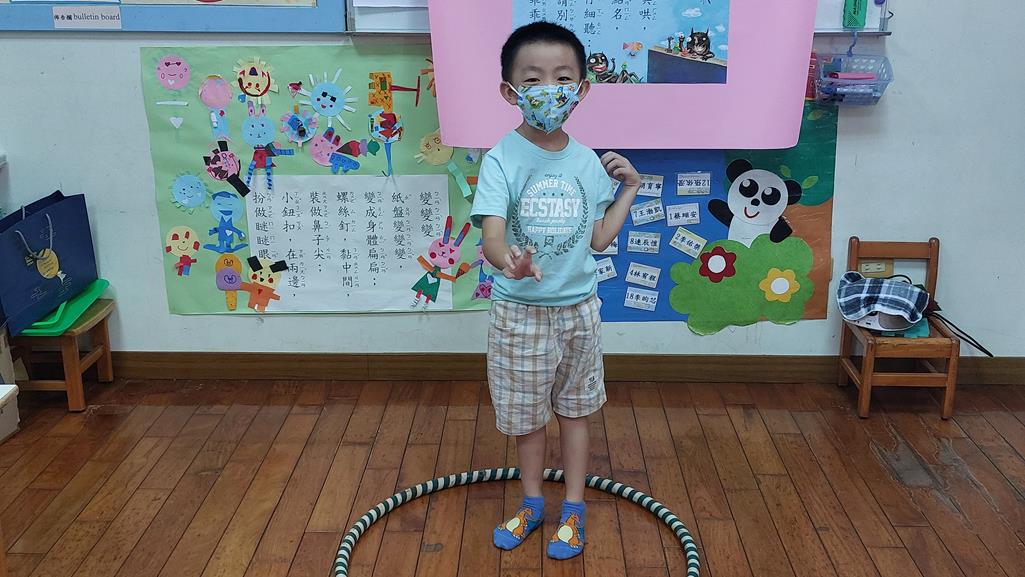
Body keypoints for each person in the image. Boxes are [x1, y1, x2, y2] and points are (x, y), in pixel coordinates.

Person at [470, 21, 641, 560]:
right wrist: (510, 262)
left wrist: (630, 188)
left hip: (579, 311)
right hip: (519, 314)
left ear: (582, 88)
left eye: (563, 78)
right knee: (527, 420)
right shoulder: (501, 158)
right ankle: (531, 503)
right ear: (510, 92)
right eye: (534, 79)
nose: (550, 89)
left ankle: (573, 508)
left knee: (575, 410)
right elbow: (492, 238)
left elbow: (599, 238)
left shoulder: (587, 161)